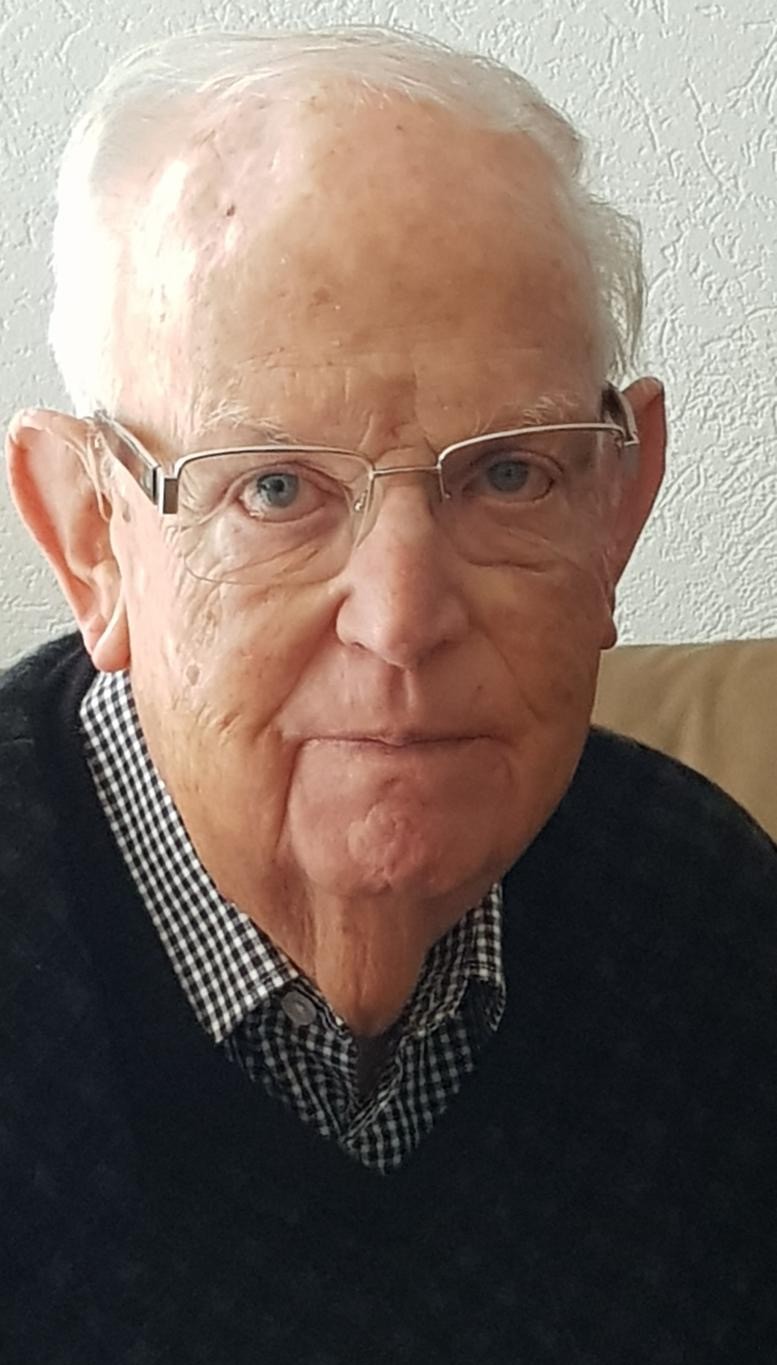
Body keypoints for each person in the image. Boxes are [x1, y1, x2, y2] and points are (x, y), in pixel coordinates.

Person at [2, 24, 775, 1365]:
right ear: (89, 539)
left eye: (509, 473)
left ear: (615, 508)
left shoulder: (706, 914)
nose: (403, 620)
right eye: (274, 488)